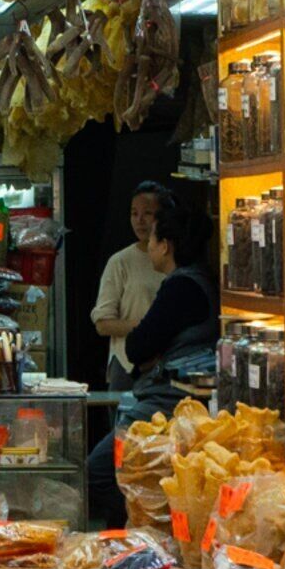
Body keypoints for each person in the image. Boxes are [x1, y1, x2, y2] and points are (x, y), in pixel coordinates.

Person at [87, 187, 214, 526]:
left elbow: (137, 346)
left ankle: (140, 530)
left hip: (167, 402)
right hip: (167, 397)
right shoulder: (192, 279)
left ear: (166, 245)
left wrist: (146, 345)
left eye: (154, 237)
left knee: (102, 470)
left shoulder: (180, 286)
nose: (150, 245)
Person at [87, 180, 173, 382]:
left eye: (148, 213)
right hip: (127, 366)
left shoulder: (175, 260)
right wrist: (146, 327)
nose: (140, 220)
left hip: (167, 364)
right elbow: (103, 324)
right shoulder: (120, 261)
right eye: (134, 213)